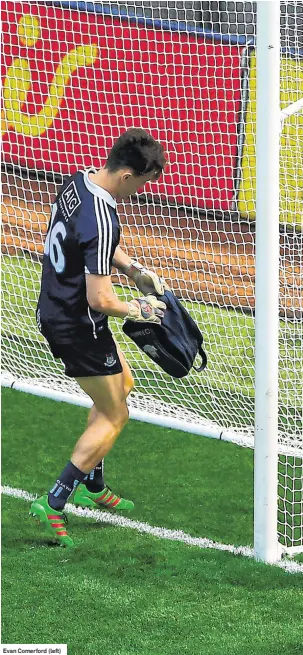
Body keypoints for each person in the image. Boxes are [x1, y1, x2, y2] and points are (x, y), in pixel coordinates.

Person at [30, 128, 167, 547]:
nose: (142, 191)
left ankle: (93, 484)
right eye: (143, 183)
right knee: (115, 413)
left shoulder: (77, 180)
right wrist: (141, 309)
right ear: (127, 175)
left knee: (121, 386)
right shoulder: (105, 217)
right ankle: (54, 501)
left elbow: (93, 243)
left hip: (56, 305)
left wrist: (133, 270)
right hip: (77, 325)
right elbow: (101, 298)